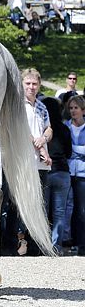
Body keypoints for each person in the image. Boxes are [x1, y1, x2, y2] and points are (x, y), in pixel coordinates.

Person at [19, 68, 52, 255]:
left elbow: (49, 129)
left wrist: (44, 139)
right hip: (25, 160)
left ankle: (36, 245)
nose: (31, 87)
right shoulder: (18, 105)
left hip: (41, 162)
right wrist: (40, 146)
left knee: (40, 204)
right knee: (21, 203)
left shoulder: (41, 106)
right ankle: (17, 243)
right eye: (28, 83)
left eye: (34, 84)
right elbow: (23, 129)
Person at [41, 97, 72, 254]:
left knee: (44, 210)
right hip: (62, 172)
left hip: (46, 171)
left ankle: (43, 245)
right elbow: (69, 153)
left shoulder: (43, 130)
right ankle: (56, 246)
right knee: (60, 211)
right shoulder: (64, 129)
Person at [65, 95, 85, 256]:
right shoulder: (66, 126)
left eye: (76, 108)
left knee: (81, 210)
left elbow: (72, 150)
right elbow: (65, 150)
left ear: (82, 110)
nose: (73, 111)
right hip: (68, 172)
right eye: (71, 108)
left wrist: (74, 150)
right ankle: (69, 240)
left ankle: (81, 243)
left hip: (83, 175)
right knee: (67, 209)